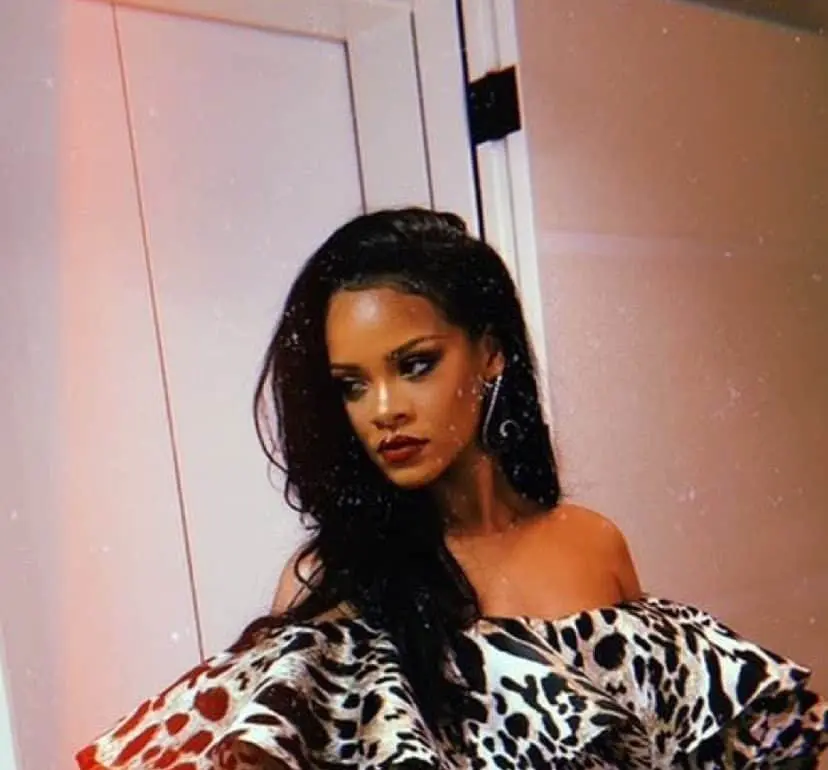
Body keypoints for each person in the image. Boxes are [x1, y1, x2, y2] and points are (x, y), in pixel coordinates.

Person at [77, 208, 826, 769]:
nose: (384, 409)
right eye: (351, 384)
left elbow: (713, 740)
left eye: (415, 365)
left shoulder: (591, 545)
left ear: (491, 353)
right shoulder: (329, 582)